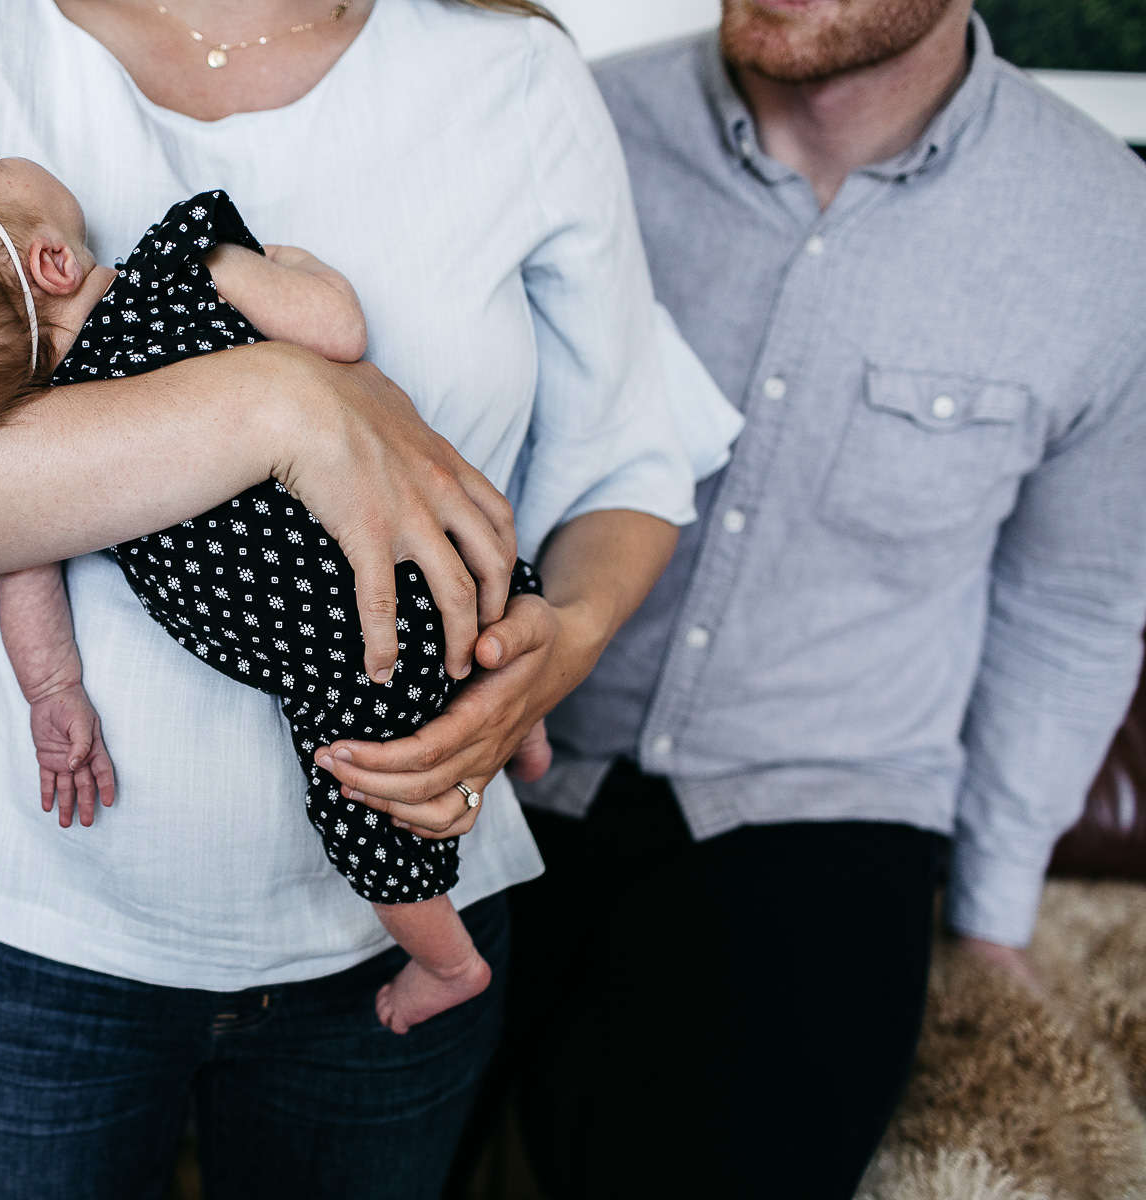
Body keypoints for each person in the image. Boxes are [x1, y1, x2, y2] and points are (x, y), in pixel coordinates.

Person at [0, 0, 740, 1194]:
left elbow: (625, 461)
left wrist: (564, 645)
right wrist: (282, 404)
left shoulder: (512, 73)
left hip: (376, 935)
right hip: (35, 939)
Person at [441, 1, 1146, 1197]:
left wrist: (990, 920)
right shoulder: (565, 125)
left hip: (829, 807)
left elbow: (1073, 598)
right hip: (513, 751)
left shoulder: (1107, 233)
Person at [0, 151, 550, 1033]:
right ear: (53, 261)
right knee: (495, 623)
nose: (8, 148)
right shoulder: (181, 266)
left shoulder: (42, 450)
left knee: (368, 820)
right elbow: (338, 329)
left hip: (330, 667)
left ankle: (444, 959)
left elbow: (26, 588)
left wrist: (54, 697)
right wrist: (296, 267)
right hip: (426, 559)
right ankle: (519, 754)